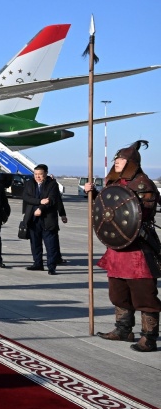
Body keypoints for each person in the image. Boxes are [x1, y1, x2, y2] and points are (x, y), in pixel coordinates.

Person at [85, 141, 159, 352]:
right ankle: (123, 329)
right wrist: (93, 193)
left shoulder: (143, 184)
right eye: (116, 159)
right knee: (118, 293)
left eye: (121, 159)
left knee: (144, 295)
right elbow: (107, 208)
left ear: (132, 163)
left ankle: (149, 337)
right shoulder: (114, 182)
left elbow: (140, 213)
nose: (116, 162)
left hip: (138, 249)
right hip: (117, 249)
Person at [21, 164, 65, 275]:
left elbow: (52, 200)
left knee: (51, 244)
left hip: (48, 219)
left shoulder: (52, 184)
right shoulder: (29, 183)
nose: (37, 176)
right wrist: (39, 202)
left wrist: (42, 209)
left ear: (45, 174)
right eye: (35, 174)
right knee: (35, 243)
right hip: (33, 218)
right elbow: (26, 197)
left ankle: (51, 267)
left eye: (40, 174)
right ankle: (38, 263)